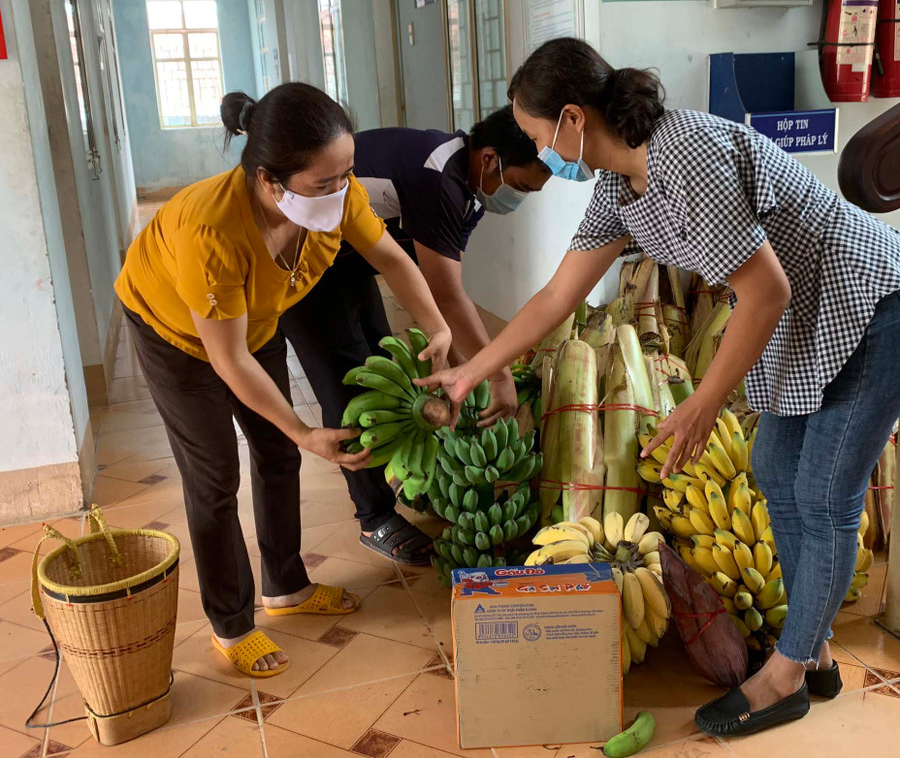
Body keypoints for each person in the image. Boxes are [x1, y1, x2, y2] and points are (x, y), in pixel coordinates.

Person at [416, 38, 900, 735]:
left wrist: (703, 405)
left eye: (535, 134)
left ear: (574, 120)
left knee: (824, 496)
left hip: (870, 300)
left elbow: (764, 290)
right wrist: (472, 367)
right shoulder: (621, 184)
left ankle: (787, 677)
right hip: (806, 313)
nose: (539, 152)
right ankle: (813, 652)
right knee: (774, 468)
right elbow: (557, 295)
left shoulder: (687, 157)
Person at [114, 83, 451, 678]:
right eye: (325, 183)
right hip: (176, 336)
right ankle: (231, 622)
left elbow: (394, 259)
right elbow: (229, 360)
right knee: (215, 474)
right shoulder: (212, 231)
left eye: (347, 175)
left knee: (276, 454)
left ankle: (286, 588)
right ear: (271, 181)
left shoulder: (332, 197)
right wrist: (303, 429)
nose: (342, 191)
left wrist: (439, 330)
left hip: (256, 319)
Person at [279, 105, 550, 566]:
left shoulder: (467, 184)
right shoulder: (439, 178)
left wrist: (458, 348)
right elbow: (447, 294)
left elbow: (435, 274)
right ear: (490, 159)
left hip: (350, 262)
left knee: (388, 375)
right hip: (302, 269)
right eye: (521, 186)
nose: (518, 198)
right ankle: (374, 518)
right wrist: (498, 373)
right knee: (349, 386)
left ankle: (394, 476)